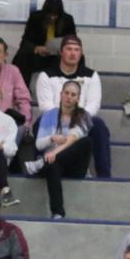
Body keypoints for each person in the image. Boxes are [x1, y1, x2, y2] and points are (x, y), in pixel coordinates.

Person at [34, 35, 111, 178]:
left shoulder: (91, 75)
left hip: (82, 118)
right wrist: (65, 117)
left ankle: (104, 175)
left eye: (77, 50)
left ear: (81, 54)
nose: (73, 53)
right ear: (61, 53)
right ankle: (40, 167)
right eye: (69, 49)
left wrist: (77, 119)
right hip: (55, 117)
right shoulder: (46, 75)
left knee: (99, 125)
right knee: (40, 122)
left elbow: (93, 104)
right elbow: (46, 106)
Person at [24, 79, 94, 219]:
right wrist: (52, 138)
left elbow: (73, 138)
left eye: (73, 94)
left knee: (86, 142)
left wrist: (54, 152)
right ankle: (58, 213)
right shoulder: (49, 115)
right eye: (66, 93)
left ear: (78, 98)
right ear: (61, 94)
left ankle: (41, 163)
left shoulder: (83, 115)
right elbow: (38, 145)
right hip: (53, 165)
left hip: (74, 167)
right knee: (53, 165)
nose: (69, 97)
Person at [13, 0, 76, 82]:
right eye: (50, 15)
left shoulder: (67, 20)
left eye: (55, 15)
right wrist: (36, 48)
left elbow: (73, 41)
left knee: (78, 57)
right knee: (21, 57)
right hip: (38, 56)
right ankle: (24, 91)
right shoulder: (35, 17)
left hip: (58, 57)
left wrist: (63, 51)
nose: (53, 18)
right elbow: (25, 42)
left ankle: (70, 89)